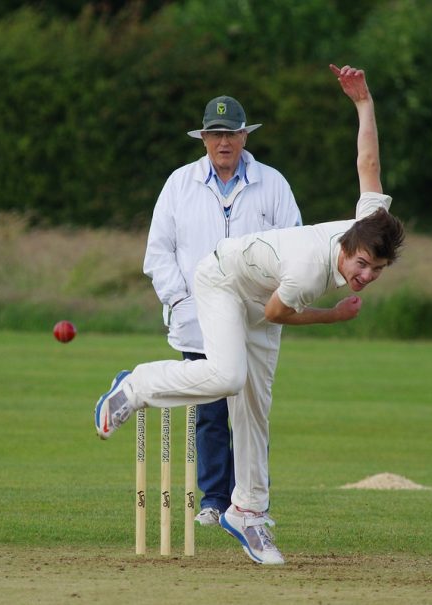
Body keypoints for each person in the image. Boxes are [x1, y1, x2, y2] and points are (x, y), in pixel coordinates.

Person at [95, 64, 405, 564]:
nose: (365, 275)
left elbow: (367, 162)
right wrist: (335, 315)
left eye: (377, 270)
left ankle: (249, 513)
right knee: (228, 376)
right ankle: (135, 386)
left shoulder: (368, 223)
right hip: (223, 280)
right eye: (361, 265)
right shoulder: (308, 270)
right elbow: (276, 312)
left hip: (264, 295)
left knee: (255, 409)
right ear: (347, 246)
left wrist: (363, 103)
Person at [143, 93, 302, 527]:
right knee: (210, 412)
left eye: (231, 133)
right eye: (215, 134)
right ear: (204, 140)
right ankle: (214, 499)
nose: (223, 142)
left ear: (244, 136)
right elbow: (158, 252)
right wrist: (179, 299)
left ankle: (249, 502)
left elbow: (295, 245)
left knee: (250, 413)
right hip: (198, 319)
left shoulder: (273, 184)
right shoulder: (180, 184)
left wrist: (273, 298)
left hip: (255, 319)